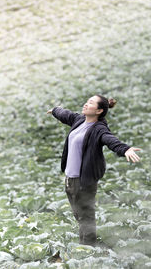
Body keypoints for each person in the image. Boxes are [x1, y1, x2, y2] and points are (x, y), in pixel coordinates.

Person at [47, 94, 141, 246]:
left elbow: (111, 140)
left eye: (90, 103)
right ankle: (84, 245)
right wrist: (55, 110)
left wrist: (125, 149)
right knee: (79, 215)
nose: (85, 104)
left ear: (98, 111)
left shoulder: (99, 129)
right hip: (70, 179)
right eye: (87, 101)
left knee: (86, 216)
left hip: (84, 181)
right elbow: (67, 115)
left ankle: (88, 248)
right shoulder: (79, 121)